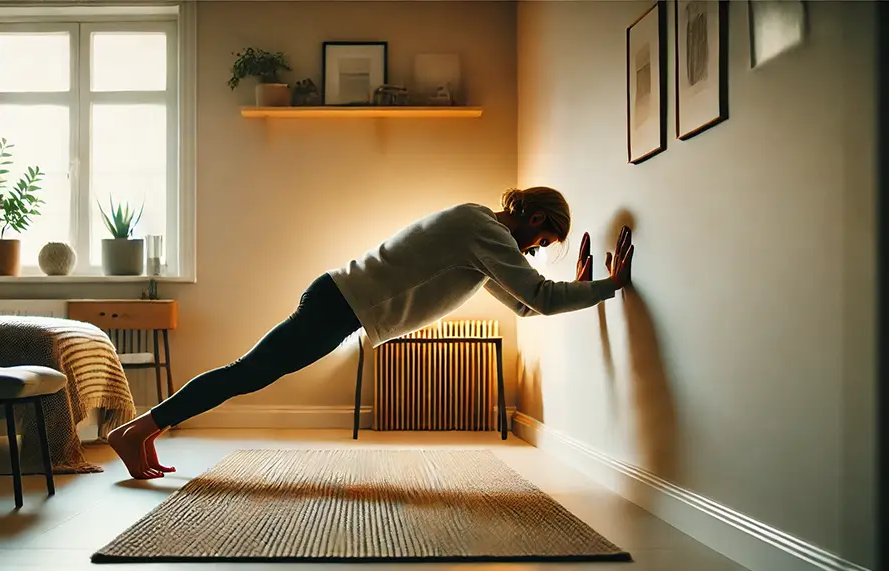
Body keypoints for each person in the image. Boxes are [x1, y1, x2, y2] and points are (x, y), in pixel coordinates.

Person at [108, 186, 634, 479]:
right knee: (248, 374)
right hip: (337, 304)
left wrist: (580, 287)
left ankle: (143, 430)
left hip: (338, 302)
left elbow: (526, 306)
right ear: (533, 216)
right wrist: (609, 285)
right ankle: (137, 429)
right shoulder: (485, 232)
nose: (533, 253)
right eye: (540, 241)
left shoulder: (482, 232)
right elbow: (538, 296)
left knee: (249, 374)